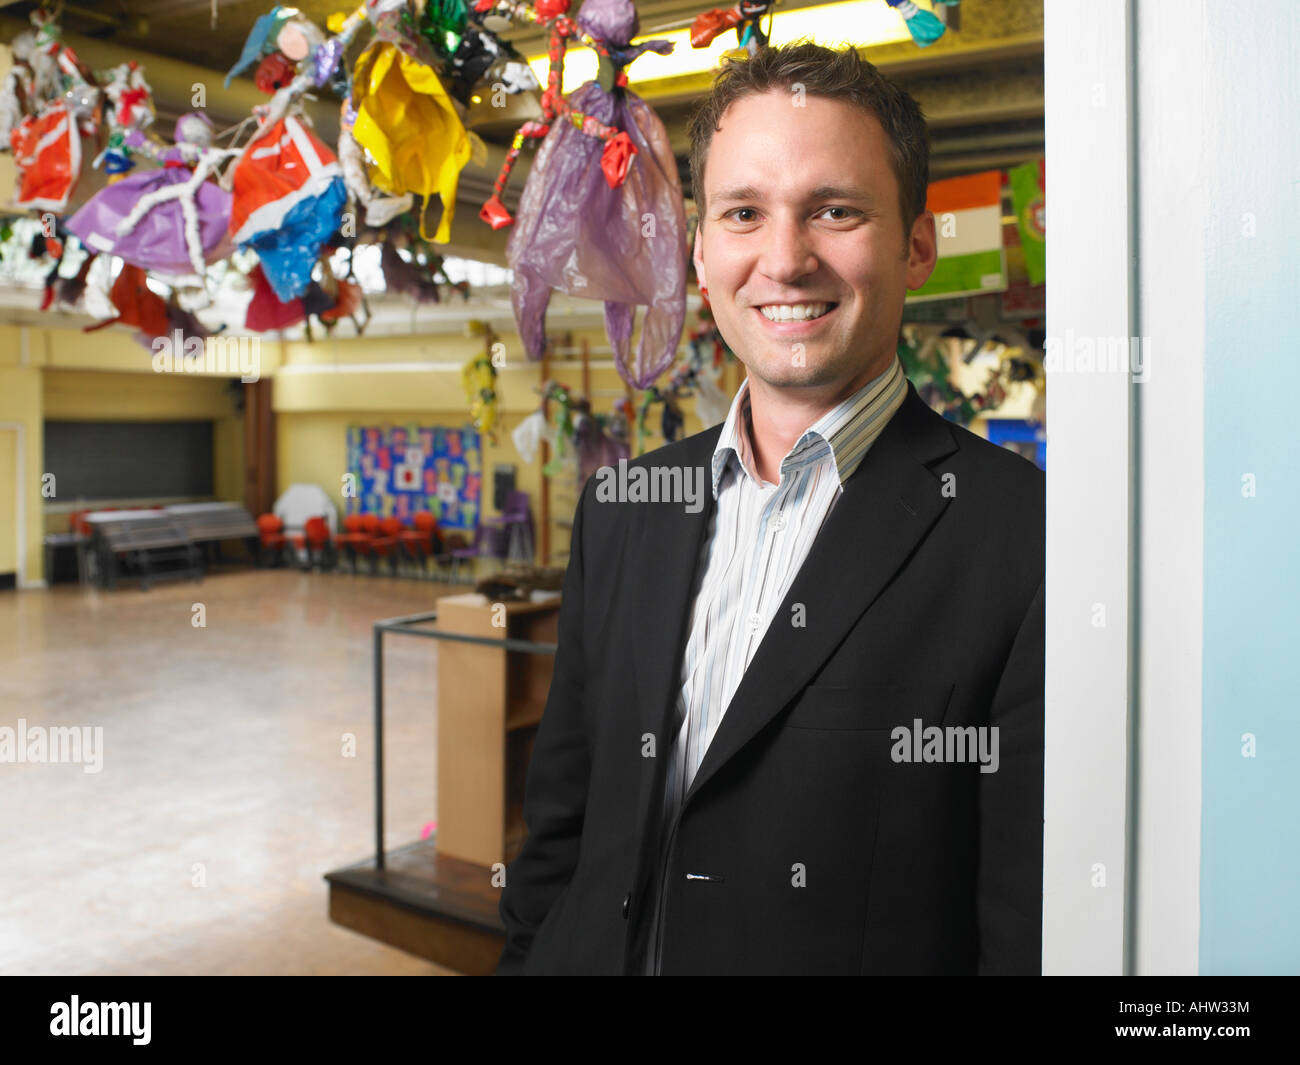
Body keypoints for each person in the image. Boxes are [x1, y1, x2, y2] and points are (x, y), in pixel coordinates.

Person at [496, 40, 1045, 975]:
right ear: (702, 251)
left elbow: (1020, 926)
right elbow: (562, 831)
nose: (785, 260)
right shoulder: (623, 508)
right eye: (744, 213)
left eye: (835, 211)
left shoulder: (1026, 539)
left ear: (915, 246)